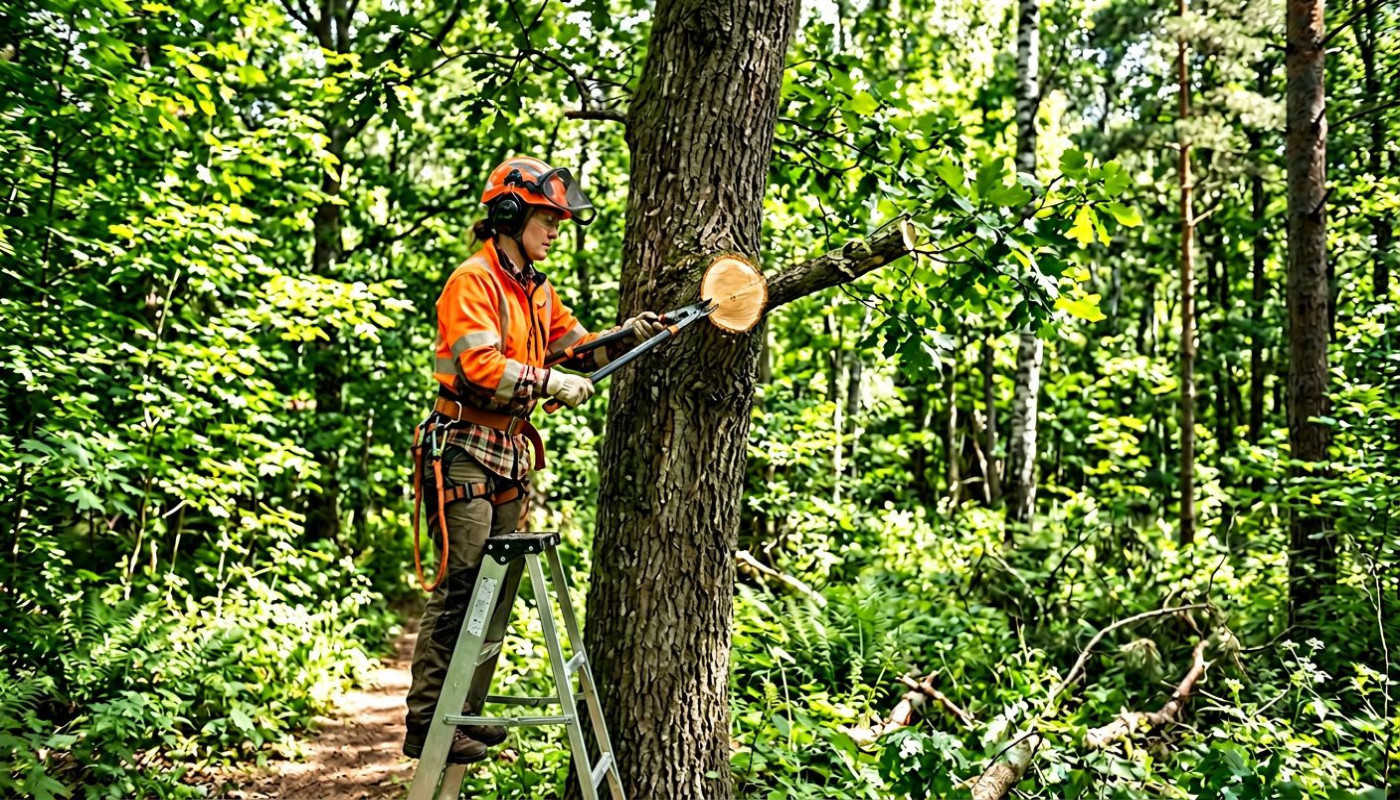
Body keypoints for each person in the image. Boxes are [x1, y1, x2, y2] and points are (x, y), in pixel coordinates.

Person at [403, 156, 666, 764]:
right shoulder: (474, 280)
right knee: (463, 584)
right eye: (546, 220)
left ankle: (462, 712)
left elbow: (575, 347)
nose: (554, 231)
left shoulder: (536, 290)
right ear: (509, 214)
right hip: (465, 447)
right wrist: (548, 383)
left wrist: (628, 333)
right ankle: (426, 722)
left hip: (510, 454)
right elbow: (481, 367)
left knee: (495, 590)